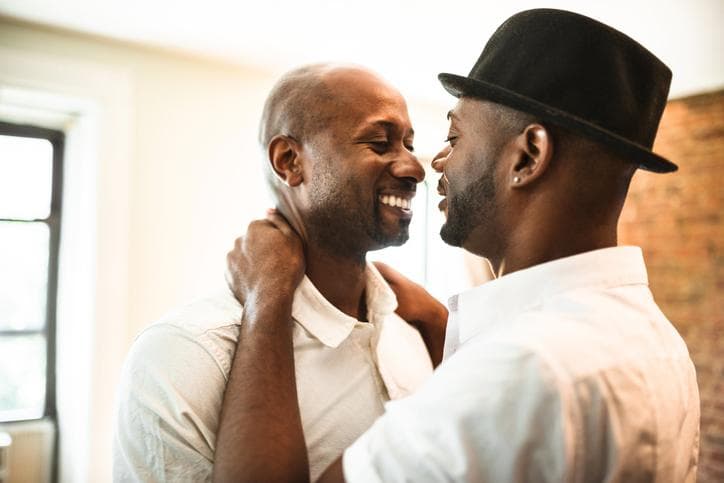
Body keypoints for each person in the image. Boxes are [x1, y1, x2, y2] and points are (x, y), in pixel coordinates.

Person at [218, 8, 700, 483]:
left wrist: (266, 301)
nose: (433, 163)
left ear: (528, 156)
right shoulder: (660, 344)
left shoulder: (513, 374)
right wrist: (438, 322)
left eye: (454, 136)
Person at [112, 64, 441, 482]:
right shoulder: (185, 354)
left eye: (410, 145)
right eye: (380, 142)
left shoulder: (410, 329)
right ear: (289, 161)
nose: (415, 168)